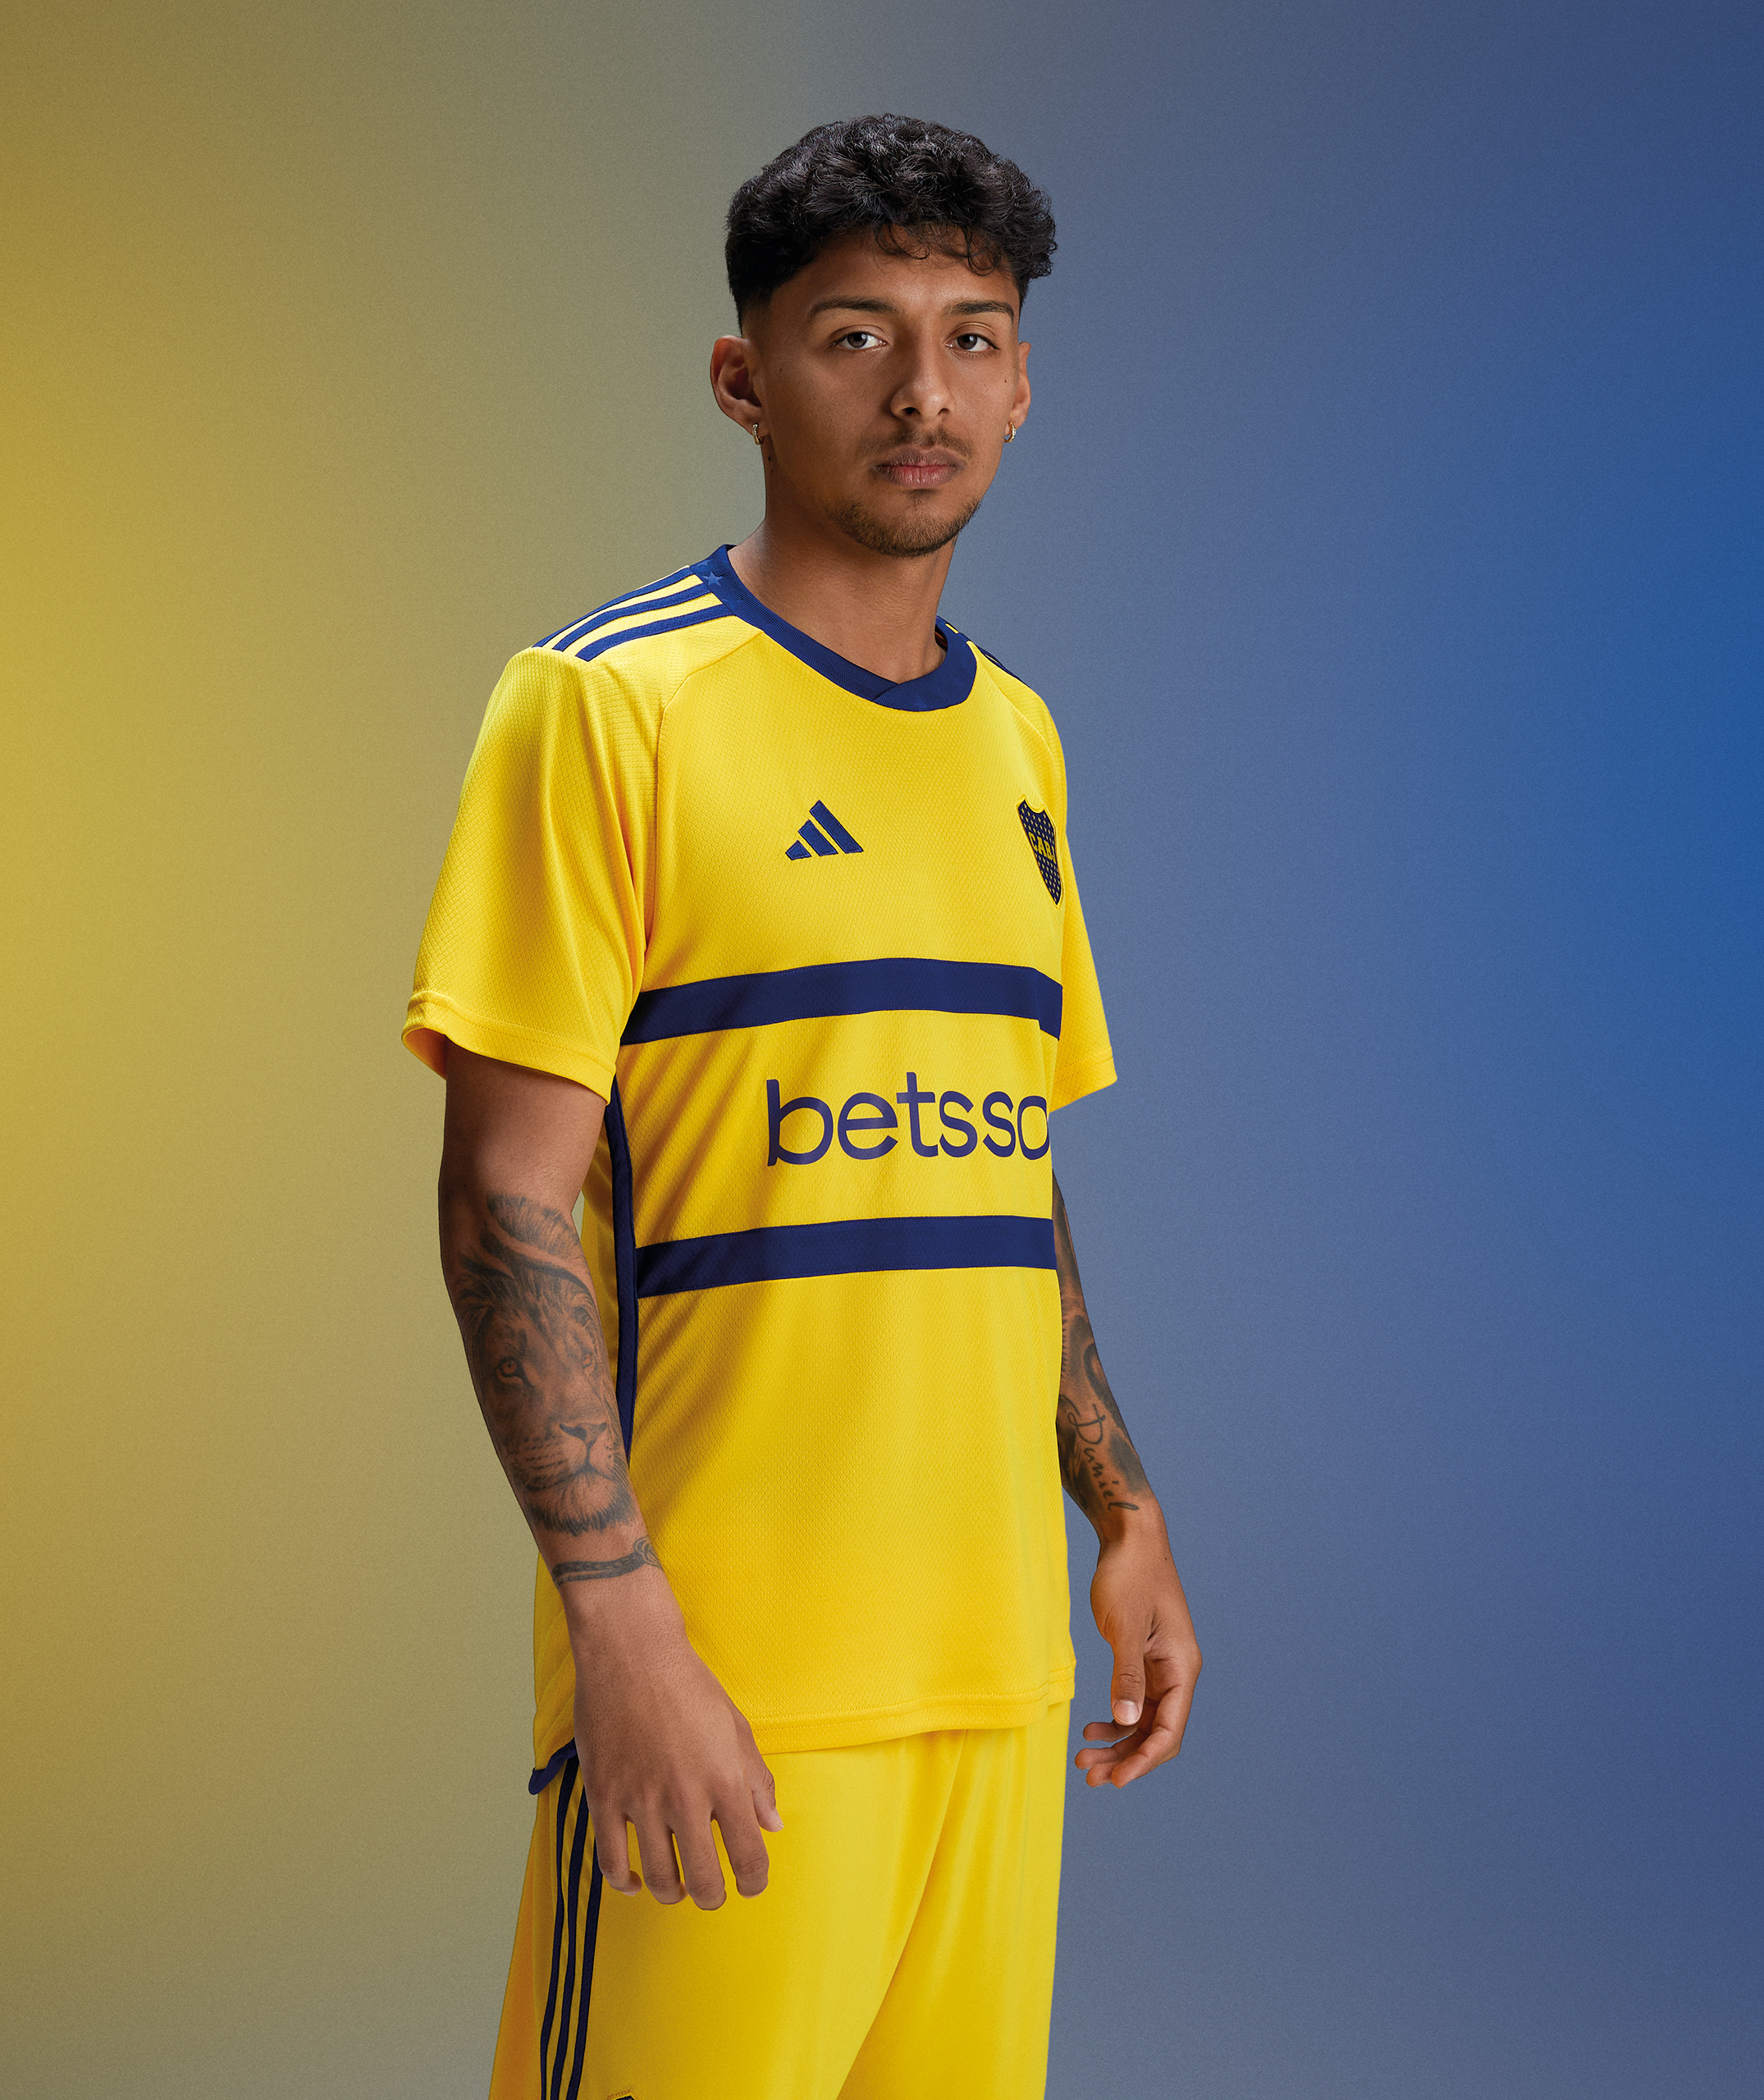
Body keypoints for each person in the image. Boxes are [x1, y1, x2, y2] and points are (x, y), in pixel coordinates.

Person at [405, 113, 1200, 2100]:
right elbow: (505, 1200)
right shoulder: (607, 705)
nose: (924, 390)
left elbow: (1001, 1155)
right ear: (743, 379)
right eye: (857, 336)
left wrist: (1122, 1506)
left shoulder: (1019, 740)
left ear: (1021, 384)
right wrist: (623, 1629)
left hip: (994, 1683)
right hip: (732, 1687)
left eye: (971, 336)